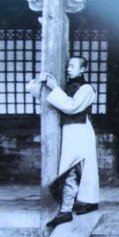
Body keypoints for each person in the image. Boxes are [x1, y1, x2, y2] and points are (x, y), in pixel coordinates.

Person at [29, 56, 100, 227]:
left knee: (74, 169)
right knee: (72, 169)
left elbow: (71, 106)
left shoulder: (87, 89)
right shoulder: (67, 87)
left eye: (73, 66)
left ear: (83, 69)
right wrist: (38, 85)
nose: (68, 68)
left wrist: (54, 88)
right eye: (68, 65)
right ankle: (75, 206)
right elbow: (52, 101)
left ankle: (68, 209)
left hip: (80, 130)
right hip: (68, 131)